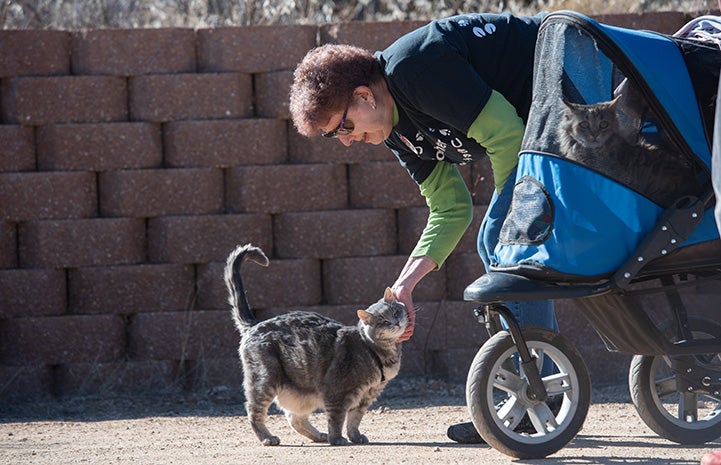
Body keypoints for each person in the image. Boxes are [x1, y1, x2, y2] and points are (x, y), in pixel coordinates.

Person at [289, 11, 558, 444]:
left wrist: (511, 218)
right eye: (332, 137)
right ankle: (535, 394)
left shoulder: (415, 69)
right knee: (505, 244)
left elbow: (508, 135)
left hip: (584, 84)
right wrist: (405, 285)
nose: (345, 140)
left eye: (342, 125)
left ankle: (532, 398)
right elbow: (450, 207)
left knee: (504, 243)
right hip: (549, 128)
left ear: (364, 96)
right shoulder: (395, 131)